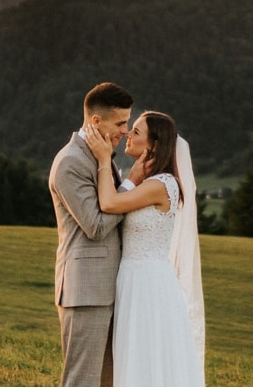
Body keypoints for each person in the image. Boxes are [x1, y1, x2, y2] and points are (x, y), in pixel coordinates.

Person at [84, 109, 206, 387]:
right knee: (134, 354)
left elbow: (110, 204)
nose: (127, 133)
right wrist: (133, 176)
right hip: (133, 278)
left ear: (153, 145)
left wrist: (104, 159)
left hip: (148, 284)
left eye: (136, 131)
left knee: (145, 354)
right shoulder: (147, 182)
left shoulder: (161, 185)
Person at [50, 82, 133, 386]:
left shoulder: (102, 155)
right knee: (82, 381)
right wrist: (134, 196)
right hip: (85, 290)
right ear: (96, 121)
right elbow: (96, 226)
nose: (126, 130)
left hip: (109, 287)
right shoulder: (70, 162)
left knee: (108, 382)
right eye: (121, 123)